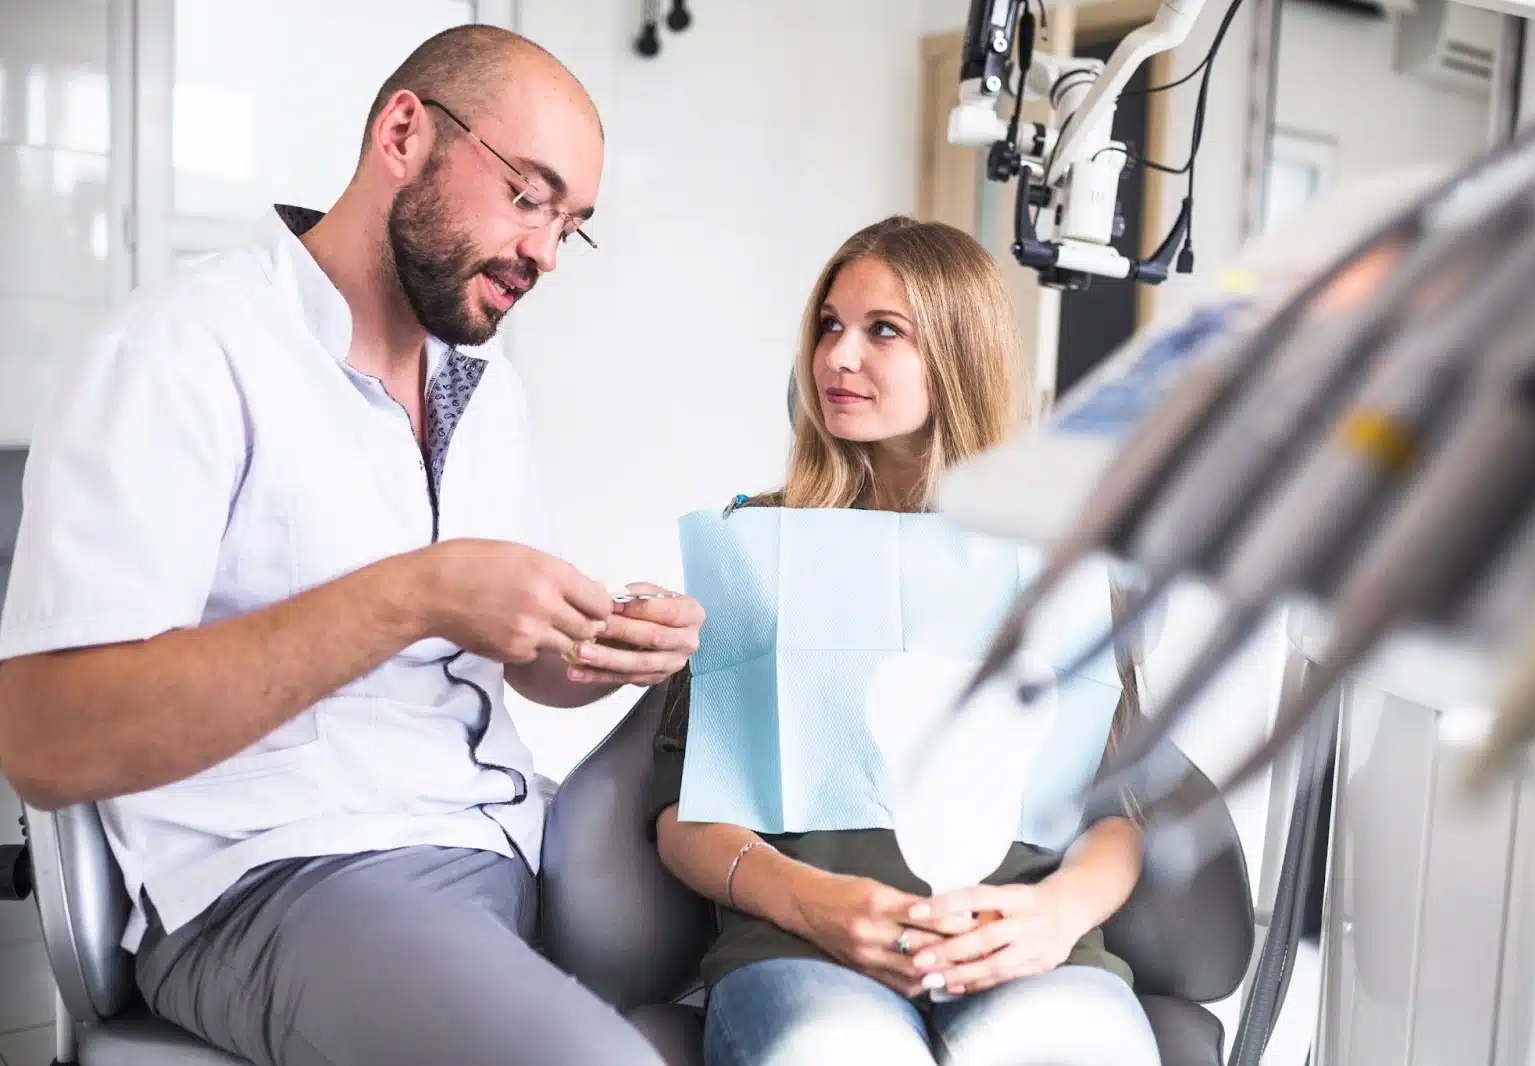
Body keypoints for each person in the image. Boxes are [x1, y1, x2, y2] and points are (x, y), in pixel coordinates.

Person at [0, 25, 699, 1066]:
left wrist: (592, 647)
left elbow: (513, 663)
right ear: (405, 133)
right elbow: (48, 742)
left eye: (571, 224)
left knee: (761, 979)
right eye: (527, 194)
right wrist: (414, 594)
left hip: (505, 838)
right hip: (289, 872)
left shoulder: (486, 386)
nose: (545, 252)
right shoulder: (184, 349)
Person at [650, 216, 1163, 1066]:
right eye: (828, 326)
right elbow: (681, 816)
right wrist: (817, 905)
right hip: (802, 948)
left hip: (1023, 951)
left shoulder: (1059, 554)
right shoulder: (756, 545)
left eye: (882, 330)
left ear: (958, 353)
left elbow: (1120, 813)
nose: (836, 357)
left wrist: (1056, 915)